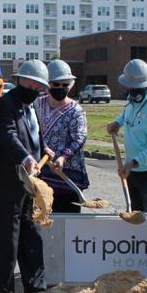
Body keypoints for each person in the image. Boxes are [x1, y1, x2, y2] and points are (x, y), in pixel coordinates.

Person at [0, 59, 49, 293]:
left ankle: (36, 287)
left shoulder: (32, 107)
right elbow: (7, 135)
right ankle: (3, 291)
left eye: (37, 87)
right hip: (6, 183)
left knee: (33, 236)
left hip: (30, 184)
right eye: (28, 84)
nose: (32, 90)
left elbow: (33, 135)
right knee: (7, 240)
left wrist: (44, 149)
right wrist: (26, 157)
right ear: (18, 81)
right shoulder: (5, 104)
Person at [106, 59, 147, 213]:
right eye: (131, 88)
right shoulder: (132, 99)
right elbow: (129, 113)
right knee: (135, 217)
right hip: (133, 171)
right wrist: (118, 122)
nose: (134, 91)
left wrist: (134, 163)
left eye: (138, 88)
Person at [35, 59, 89, 213]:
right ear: (47, 85)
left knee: (67, 221)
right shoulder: (37, 104)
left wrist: (63, 157)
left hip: (67, 175)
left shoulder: (75, 110)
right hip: (42, 171)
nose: (60, 88)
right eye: (55, 84)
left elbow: (79, 137)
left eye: (65, 85)